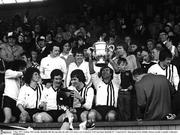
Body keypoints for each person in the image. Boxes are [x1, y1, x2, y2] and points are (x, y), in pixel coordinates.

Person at [88, 53, 121, 122]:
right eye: (103, 70)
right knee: (91, 114)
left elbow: (117, 70)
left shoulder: (115, 82)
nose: (104, 72)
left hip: (111, 109)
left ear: (111, 73)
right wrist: (90, 58)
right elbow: (91, 70)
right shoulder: (97, 82)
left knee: (111, 116)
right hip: (98, 109)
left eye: (107, 70)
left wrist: (109, 59)